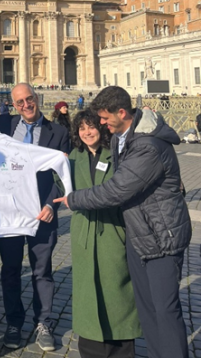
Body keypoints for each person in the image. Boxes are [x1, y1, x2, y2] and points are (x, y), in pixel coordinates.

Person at [55, 86, 191, 358]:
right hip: (141, 235)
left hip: (160, 236)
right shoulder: (122, 138)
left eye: (104, 118)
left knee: (165, 311)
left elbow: (117, 189)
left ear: (121, 112)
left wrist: (74, 200)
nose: (102, 124)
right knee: (149, 311)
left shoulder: (147, 146)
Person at [0, 83, 70, 351]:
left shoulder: (58, 132)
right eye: (20, 102)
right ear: (13, 106)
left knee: (42, 270)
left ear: (37, 99)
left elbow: (63, 174)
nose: (26, 105)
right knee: (11, 270)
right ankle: (14, 322)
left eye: (29, 99)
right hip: (10, 213)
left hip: (41, 213)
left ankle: (44, 323)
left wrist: (51, 205)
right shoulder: (3, 125)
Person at [69, 110, 141, 358]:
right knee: (88, 295)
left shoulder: (117, 156)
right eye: (82, 128)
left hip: (113, 233)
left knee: (117, 293)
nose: (87, 132)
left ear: (101, 127)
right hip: (84, 236)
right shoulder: (72, 158)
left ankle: (121, 351)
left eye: (91, 127)